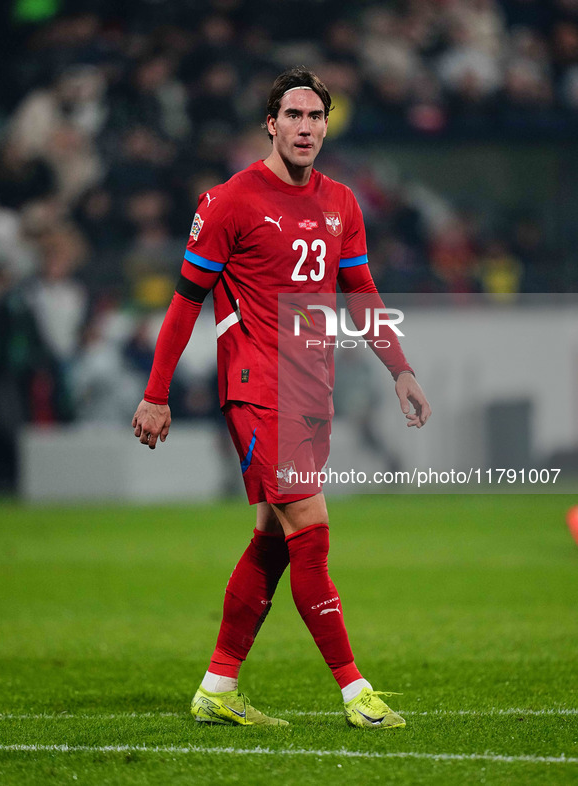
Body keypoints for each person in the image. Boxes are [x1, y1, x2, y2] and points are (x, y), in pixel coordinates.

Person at [132, 67, 431, 729]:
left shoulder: (341, 203)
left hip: (308, 390)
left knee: (272, 537)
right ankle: (357, 694)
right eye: (292, 116)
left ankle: (216, 689)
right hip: (255, 387)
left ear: (327, 125)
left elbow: (362, 294)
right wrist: (156, 394)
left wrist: (399, 369)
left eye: (315, 117)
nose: (305, 128)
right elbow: (185, 304)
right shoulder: (229, 201)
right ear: (270, 123)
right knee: (311, 534)